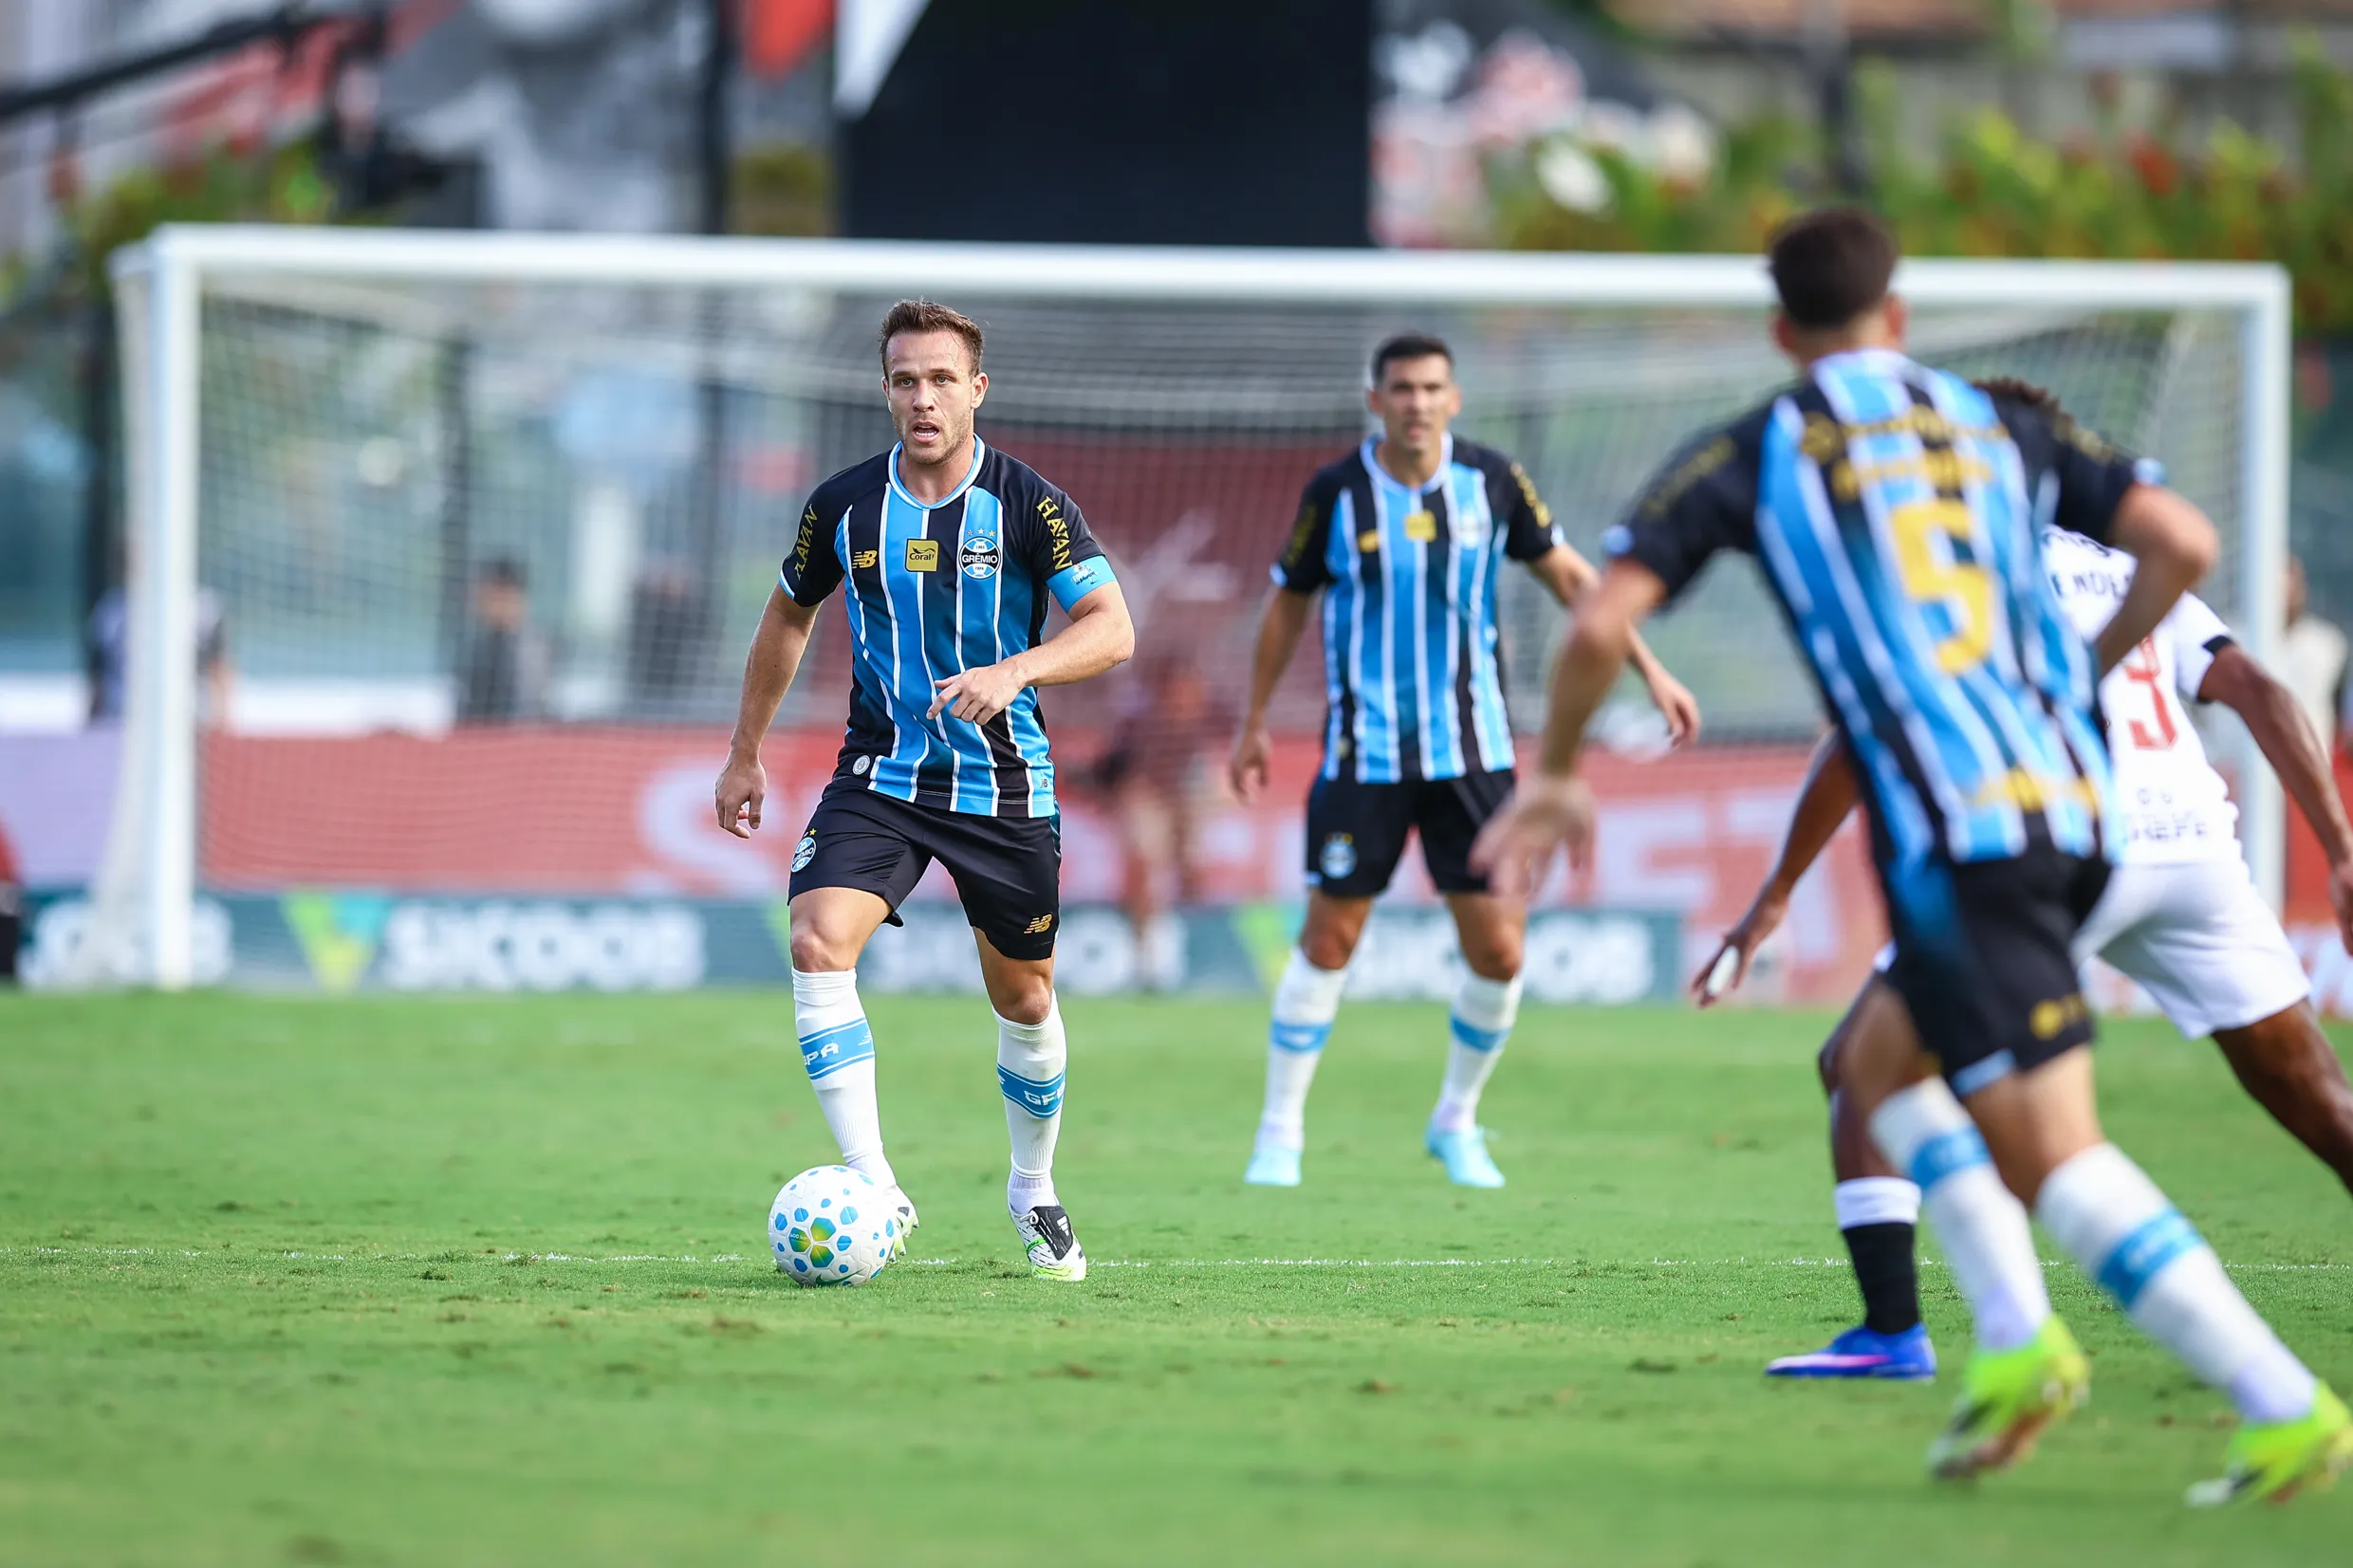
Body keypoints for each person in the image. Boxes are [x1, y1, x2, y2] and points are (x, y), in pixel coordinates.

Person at [1471, 207, 2350, 1503]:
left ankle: (2274, 1401)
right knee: (1875, 1059)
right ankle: (2012, 1341)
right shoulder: (2004, 426)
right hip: (2088, 811)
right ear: (1898, 316)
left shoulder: (1758, 446)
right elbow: (2190, 546)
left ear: (1782, 332)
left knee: (2051, 1151)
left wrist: (1550, 778)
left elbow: (1601, 618)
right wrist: (2083, 671)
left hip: (1969, 828)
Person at [1691, 388, 2353, 1389]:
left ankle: (1902, 1332)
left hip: (2057, 848)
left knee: (1862, 1065)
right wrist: (2338, 850)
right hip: (2192, 854)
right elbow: (2255, 689)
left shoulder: (1948, 567)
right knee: (2309, 1091)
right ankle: (1996, 1332)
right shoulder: (2129, 566)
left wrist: (1776, 889)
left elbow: (1858, 742)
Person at [713, 299, 1134, 1282]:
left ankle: (1033, 1187)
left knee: (1024, 998)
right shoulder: (845, 505)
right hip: (880, 777)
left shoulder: (1028, 505)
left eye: (941, 379)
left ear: (975, 390)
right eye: (904, 379)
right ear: (886, 391)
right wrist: (745, 752)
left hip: (1002, 783)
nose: (922, 397)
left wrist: (1015, 671)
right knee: (817, 942)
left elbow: (1112, 630)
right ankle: (875, 1187)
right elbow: (786, 615)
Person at [1229, 332, 1700, 1189]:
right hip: (1362, 752)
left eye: (1432, 388)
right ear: (1375, 400)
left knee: (1501, 953)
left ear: (1455, 399)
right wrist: (1255, 719)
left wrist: (1653, 669)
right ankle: (1279, 1132)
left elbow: (1572, 580)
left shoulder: (1491, 481)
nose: (1416, 402)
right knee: (1329, 938)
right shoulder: (1335, 494)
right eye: (1401, 388)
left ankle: (1455, 1120)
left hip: (1473, 755)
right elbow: (1285, 606)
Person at [1095, 645, 1233, 990]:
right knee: (1144, 866)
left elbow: (1221, 765)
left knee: (1193, 870)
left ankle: (1201, 949)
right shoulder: (1141, 723)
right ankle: (1149, 954)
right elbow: (1115, 767)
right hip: (1149, 795)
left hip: (1186, 795)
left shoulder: (1212, 717)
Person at [86, 581, 232, 727]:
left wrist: (222, 725)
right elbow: (98, 681)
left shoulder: (204, 609)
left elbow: (219, 671)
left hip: (190, 724)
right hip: (121, 724)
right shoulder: (111, 609)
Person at [455, 558, 548, 723]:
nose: (485, 602)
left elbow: (524, 713)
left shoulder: (528, 649)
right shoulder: (480, 645)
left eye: (496, 594)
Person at [2278, 554, 2345, 754]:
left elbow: (2338, 707)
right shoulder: (2232, 638)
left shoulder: (2327, 645)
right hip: (2240, 772)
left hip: (2307, 768)